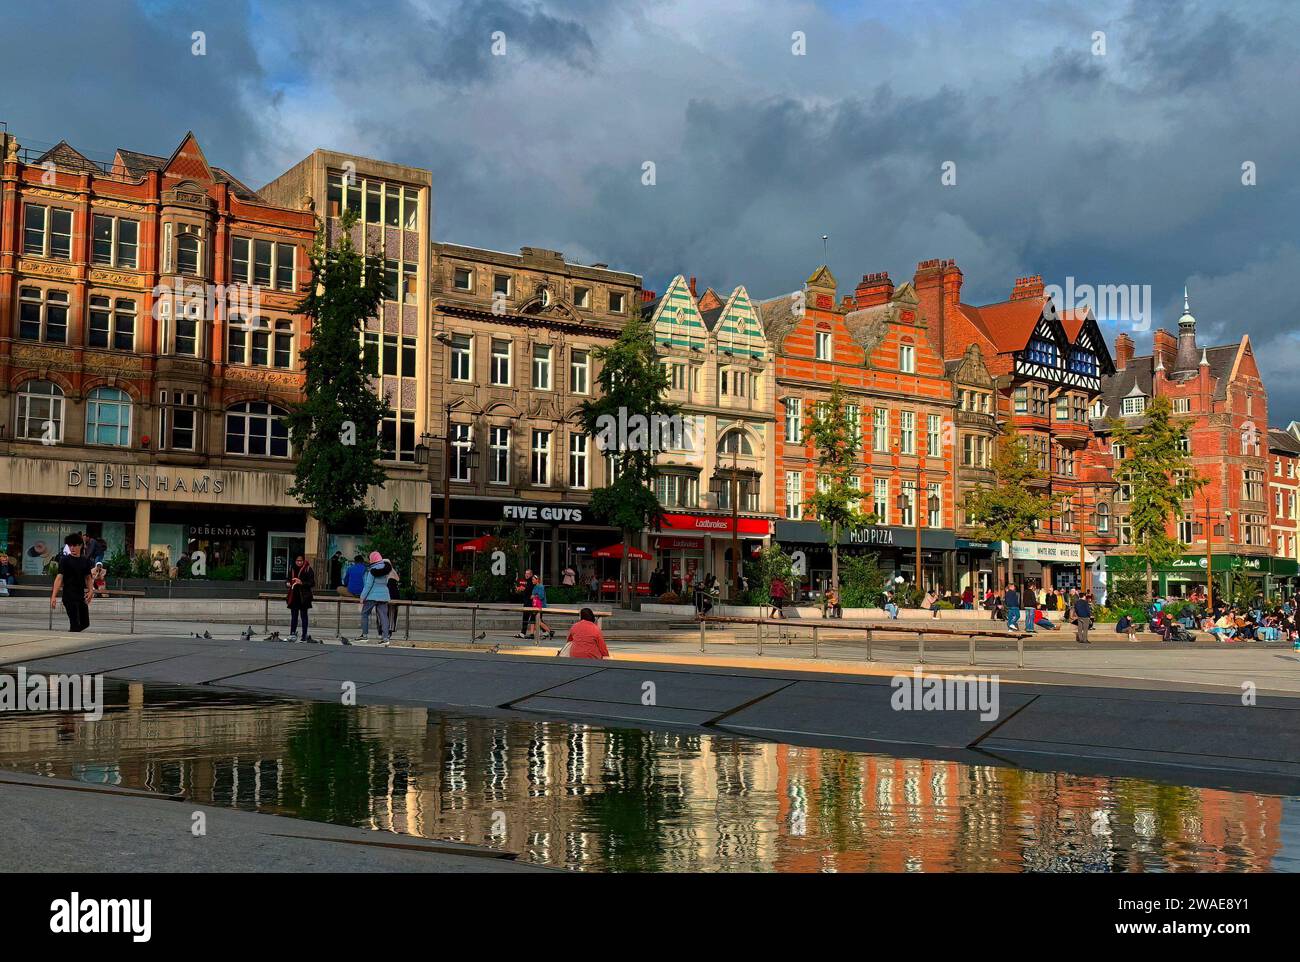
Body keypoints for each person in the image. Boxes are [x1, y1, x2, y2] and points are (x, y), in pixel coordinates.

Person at [50, 534, 93, 632]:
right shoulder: (65, 560)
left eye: (74, 545)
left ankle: (73, 633)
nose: (72, 548)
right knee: (75, 624)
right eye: (70, 546)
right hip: (69, 596)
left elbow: (88, 577)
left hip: (80, 595)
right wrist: (53, 596)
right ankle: (72, 636)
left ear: (80, 545)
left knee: (85, 623)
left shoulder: (85, 560)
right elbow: (59, 578)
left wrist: (91, 591)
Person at [359, 551, 393, 645]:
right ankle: (385, 638)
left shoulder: (372, 570)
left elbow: (368, 585)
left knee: (365, 613)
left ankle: (364, 635)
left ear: (373, 559)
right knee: (383, 616)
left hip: (372, 596)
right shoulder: (386, 569)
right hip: (384, 595)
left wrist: (362, 597)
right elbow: (386, 582)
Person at [286, 554, 316, 643]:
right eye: (297, 561)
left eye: (301, 561)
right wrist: (287, 583)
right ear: (295, 561)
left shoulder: (308, 569)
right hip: (294, 595)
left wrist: (301, 582)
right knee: (294, 616)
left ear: (303, 561)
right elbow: (287, 579)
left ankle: (304, 635)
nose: (299, 562)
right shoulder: (292, 568)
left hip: (304, 596)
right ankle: (292, 633)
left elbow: (312, 583)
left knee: (304, 616)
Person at [530, 574, 554, 641]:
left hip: (540, 606)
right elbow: (533, 595)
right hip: (535, 606)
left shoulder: (541, 587)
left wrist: (534, 596)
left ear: (537, 580)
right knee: (534, 620)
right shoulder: (535, 587)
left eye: (533, 579)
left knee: (538, 621)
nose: (532, 581)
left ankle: (550, 631)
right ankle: (532, 634)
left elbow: (541, 596)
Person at [515, 569, 535, 639]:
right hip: (528, 603)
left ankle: (523, 633)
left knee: (527, 618)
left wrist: (522, 589)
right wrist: (521, 589)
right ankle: (547, 631)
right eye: (526, 573)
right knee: (532, 618)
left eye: (528, 574)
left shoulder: (531, 582)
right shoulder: (528, 582)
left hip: (530, 603)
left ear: (531, 574)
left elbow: (528, 591)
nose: (526, 575)